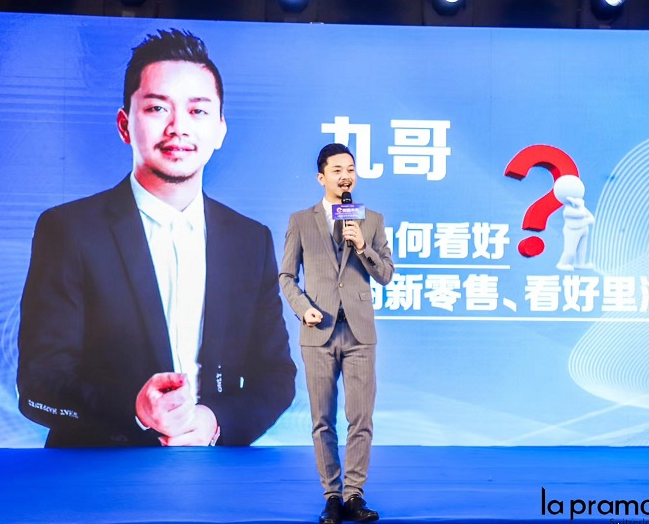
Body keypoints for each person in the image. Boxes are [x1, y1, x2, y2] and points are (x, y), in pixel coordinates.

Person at [16, 29, 296, 447]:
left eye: (198, 110)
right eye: (157, 108)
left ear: (220, 129)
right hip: (96, 473)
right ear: (125, 125)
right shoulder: (70, 230)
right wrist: (134, 410)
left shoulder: (250, 241)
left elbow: (276, 377)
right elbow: (37, 386)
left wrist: (214, 422)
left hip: (214, 471)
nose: (178, 127)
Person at [279, 143, 394, 523]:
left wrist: (362, 245)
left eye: (351, 170)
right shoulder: (301, 220)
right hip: (319, 332)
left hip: (359, 333)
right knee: (322, 420)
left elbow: (385, 274)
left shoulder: (370, 220)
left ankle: (354, 495)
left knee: (361, 418)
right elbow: (286, 276)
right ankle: (331, 495)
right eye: (337, 170)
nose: (346, 177)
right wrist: (303, 308)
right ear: (321, 177)